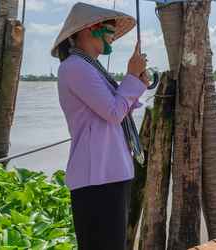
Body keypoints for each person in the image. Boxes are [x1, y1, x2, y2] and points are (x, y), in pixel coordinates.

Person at [51, 3, 149, 249]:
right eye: (109, 28)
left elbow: (117, 107)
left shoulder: (90, 68)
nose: (113, 36)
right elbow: (114, 112)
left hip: (111, 172)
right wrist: (130, 77)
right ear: (89, 29)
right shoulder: (74, 67)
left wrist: (137, 83)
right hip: (97, 178)